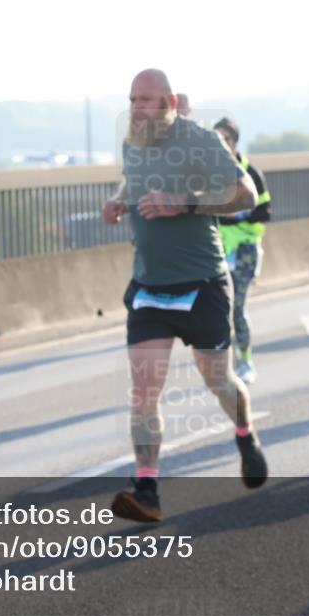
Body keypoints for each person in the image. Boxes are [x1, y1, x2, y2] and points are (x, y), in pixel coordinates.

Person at [101, 69, 267, 523]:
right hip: (150, 286)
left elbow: (245, 193)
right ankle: (147, 488)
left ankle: (244, 433)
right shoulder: (132, 142)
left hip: (202, 284)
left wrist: (186, 203)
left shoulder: (200, 142)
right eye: (132, 99)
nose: (136, 108)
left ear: (170, 101)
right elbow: (133, 178)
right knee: (143, 391)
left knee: (219, 381)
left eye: (147, 100)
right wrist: (119, 200)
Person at [213, 117, 272, 384]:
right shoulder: (211, 173)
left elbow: (264, 212)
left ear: (234, 142)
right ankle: (222, 367)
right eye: (216, 139)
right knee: (219, 311)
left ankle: (245, 361)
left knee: (237, 307)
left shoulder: (251, 172)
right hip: (220, 251)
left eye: (224, 139)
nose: (220, 144)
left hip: (246, 249)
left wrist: (235, 216)